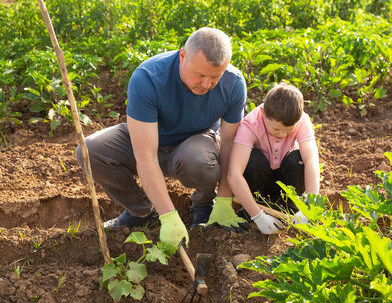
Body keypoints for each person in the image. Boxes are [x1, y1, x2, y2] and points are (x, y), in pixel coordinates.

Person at [76, 27, 248, 247]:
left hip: (193, 147)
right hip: (149, 141)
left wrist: (224, 201)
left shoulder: (233, 83)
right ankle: (141, 211)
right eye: (200, 75)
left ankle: (204, 205)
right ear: (182, 56)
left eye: (215, 77)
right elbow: (145, 155)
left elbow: (229, 146)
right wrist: (168, 216)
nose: (207, 85)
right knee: (89, 151)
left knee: (200, 161)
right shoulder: (148, 77)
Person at [206, 82, 320, 234]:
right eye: (277, 129)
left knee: (298, 161)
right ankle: (252, 208)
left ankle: (291, 205)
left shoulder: (302, 120)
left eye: (289, 130)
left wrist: (311, 205)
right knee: (253, 161)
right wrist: (258, 216)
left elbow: (312, 160)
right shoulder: (251, 124)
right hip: (259, 180)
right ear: (263, 113)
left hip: (285, 179)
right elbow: (234, 175)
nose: (282, 135)